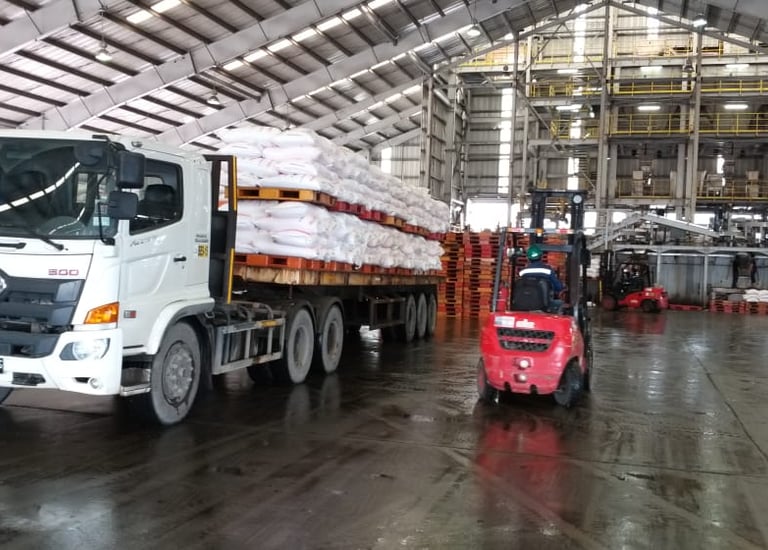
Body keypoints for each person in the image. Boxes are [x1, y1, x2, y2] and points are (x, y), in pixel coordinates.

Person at [519, 244, 564, 312]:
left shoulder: (522, 272)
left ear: (528, 258)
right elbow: (558, 287)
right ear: (541, 256)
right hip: (544, 306)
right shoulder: (548, 271)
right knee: (560, 303)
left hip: (524, 305)